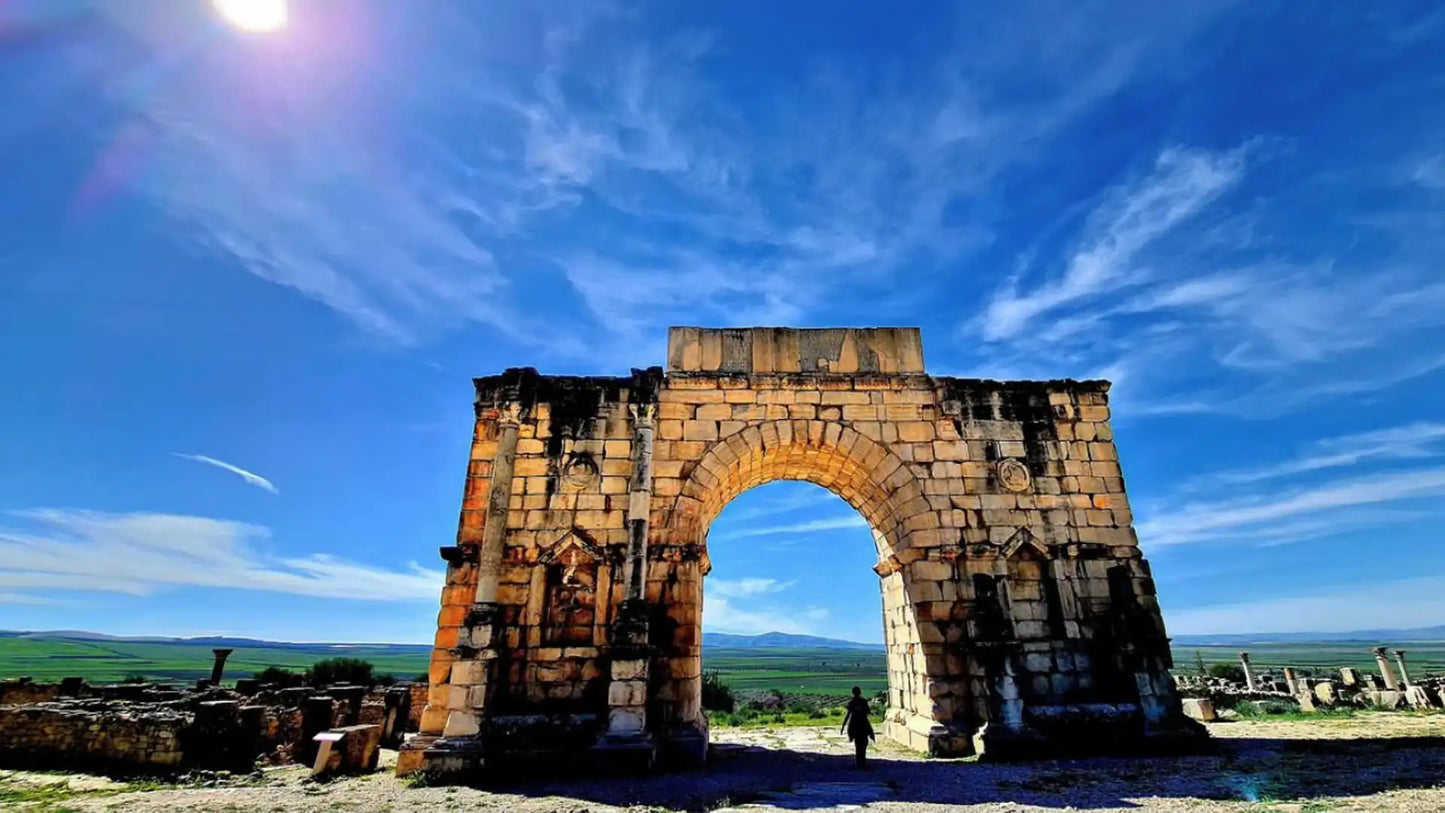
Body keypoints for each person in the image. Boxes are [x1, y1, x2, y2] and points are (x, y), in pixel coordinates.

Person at [839, 685, 875, 768]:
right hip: (863, 723)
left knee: (857, 744)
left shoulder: (851, 702)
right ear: (860, 692)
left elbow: (848, 715)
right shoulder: (863, 701)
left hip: (854, 724)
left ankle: (859, 761)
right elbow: (868, 711)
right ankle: (863, 760)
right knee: (864, 743)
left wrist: (843, 726)